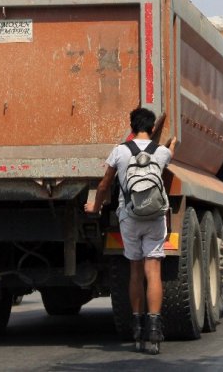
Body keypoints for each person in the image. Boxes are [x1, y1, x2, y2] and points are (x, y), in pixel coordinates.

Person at [84, 107, 176, 354]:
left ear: (132, 125)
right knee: (153, 269)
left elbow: (105, 183)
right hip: (155, 217)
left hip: (130, 216)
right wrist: (170, 138)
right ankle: (155, 327)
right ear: (152, 127)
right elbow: (168, 154)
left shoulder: (120, 151)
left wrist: (95, 205)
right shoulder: (163, 152)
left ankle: (137, 324)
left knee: (135, 269)